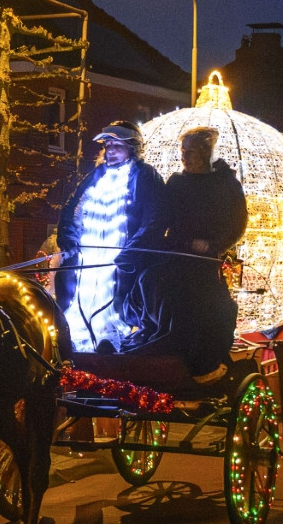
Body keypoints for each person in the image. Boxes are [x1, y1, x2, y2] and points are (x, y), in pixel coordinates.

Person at [117, 126, 248, 383]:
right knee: (150, 280)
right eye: (182, 151)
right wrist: (139, 247)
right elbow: (159, 218)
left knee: (204, 301)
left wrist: (213, 246)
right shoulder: (176, 183)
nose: (184, 157)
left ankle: (196, 359)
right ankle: (154, 341)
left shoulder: (226, 185)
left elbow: (237, 224)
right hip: (175, 253)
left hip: (204, 260)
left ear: (205, 154)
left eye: (191, 153)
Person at [55, 121, 165, 354]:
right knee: (83, 300)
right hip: (89, 257)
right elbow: (72, 208)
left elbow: (154, 218)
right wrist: (68, 237)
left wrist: (133, 252)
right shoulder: (95, 176)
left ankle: (113, 339)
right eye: (107, 145)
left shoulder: (145, 176)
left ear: (132, 147)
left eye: (117, 145)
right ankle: (77, 338)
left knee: (115, 304)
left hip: (121, 260)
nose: (110, 150)